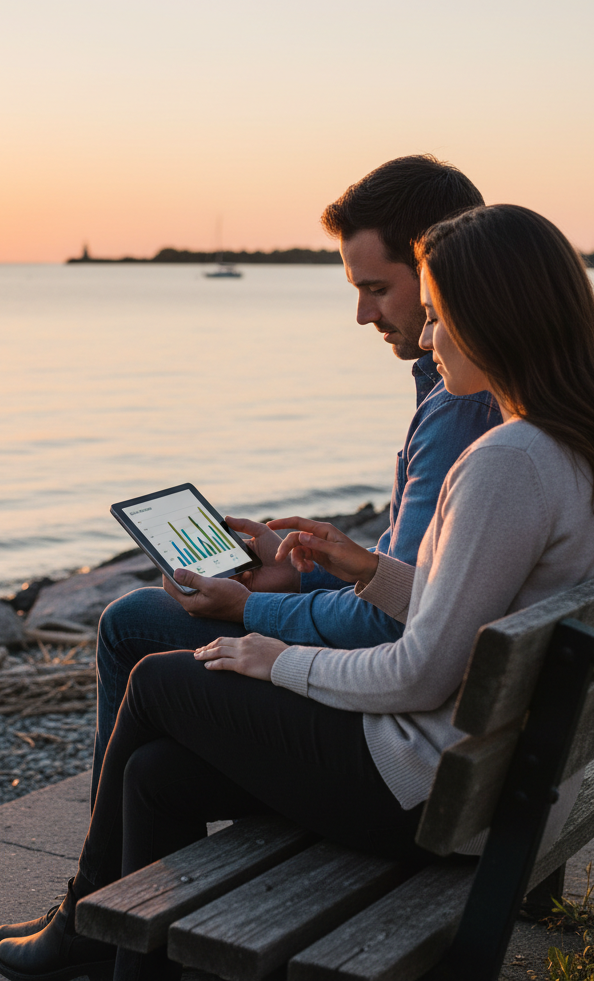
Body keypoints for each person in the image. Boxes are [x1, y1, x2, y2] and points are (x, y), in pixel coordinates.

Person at [0, 204, 594, 981]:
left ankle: (85, 918)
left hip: (431, 795)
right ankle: (114, 945)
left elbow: (422, 673)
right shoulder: (587, 441)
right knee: (155, 775)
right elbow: (475, 617)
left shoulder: (506, 461)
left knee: (158, 677)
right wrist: (368, 570)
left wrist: (274, 659)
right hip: (497, 784)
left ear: (491, 318)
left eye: (439, 316)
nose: (430, 336)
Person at [89, 156, 501, 811]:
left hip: (416, 740)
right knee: (158, 765)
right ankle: (105, 890)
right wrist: (306, 573)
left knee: (133, 622)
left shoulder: (463, 407)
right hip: (470, 720)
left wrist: (245, 608)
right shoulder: (482, 395)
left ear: (435, 275)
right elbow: (424, 583)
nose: (362, 314)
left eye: (376, 288)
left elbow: (391, 630)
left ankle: (89, 896)